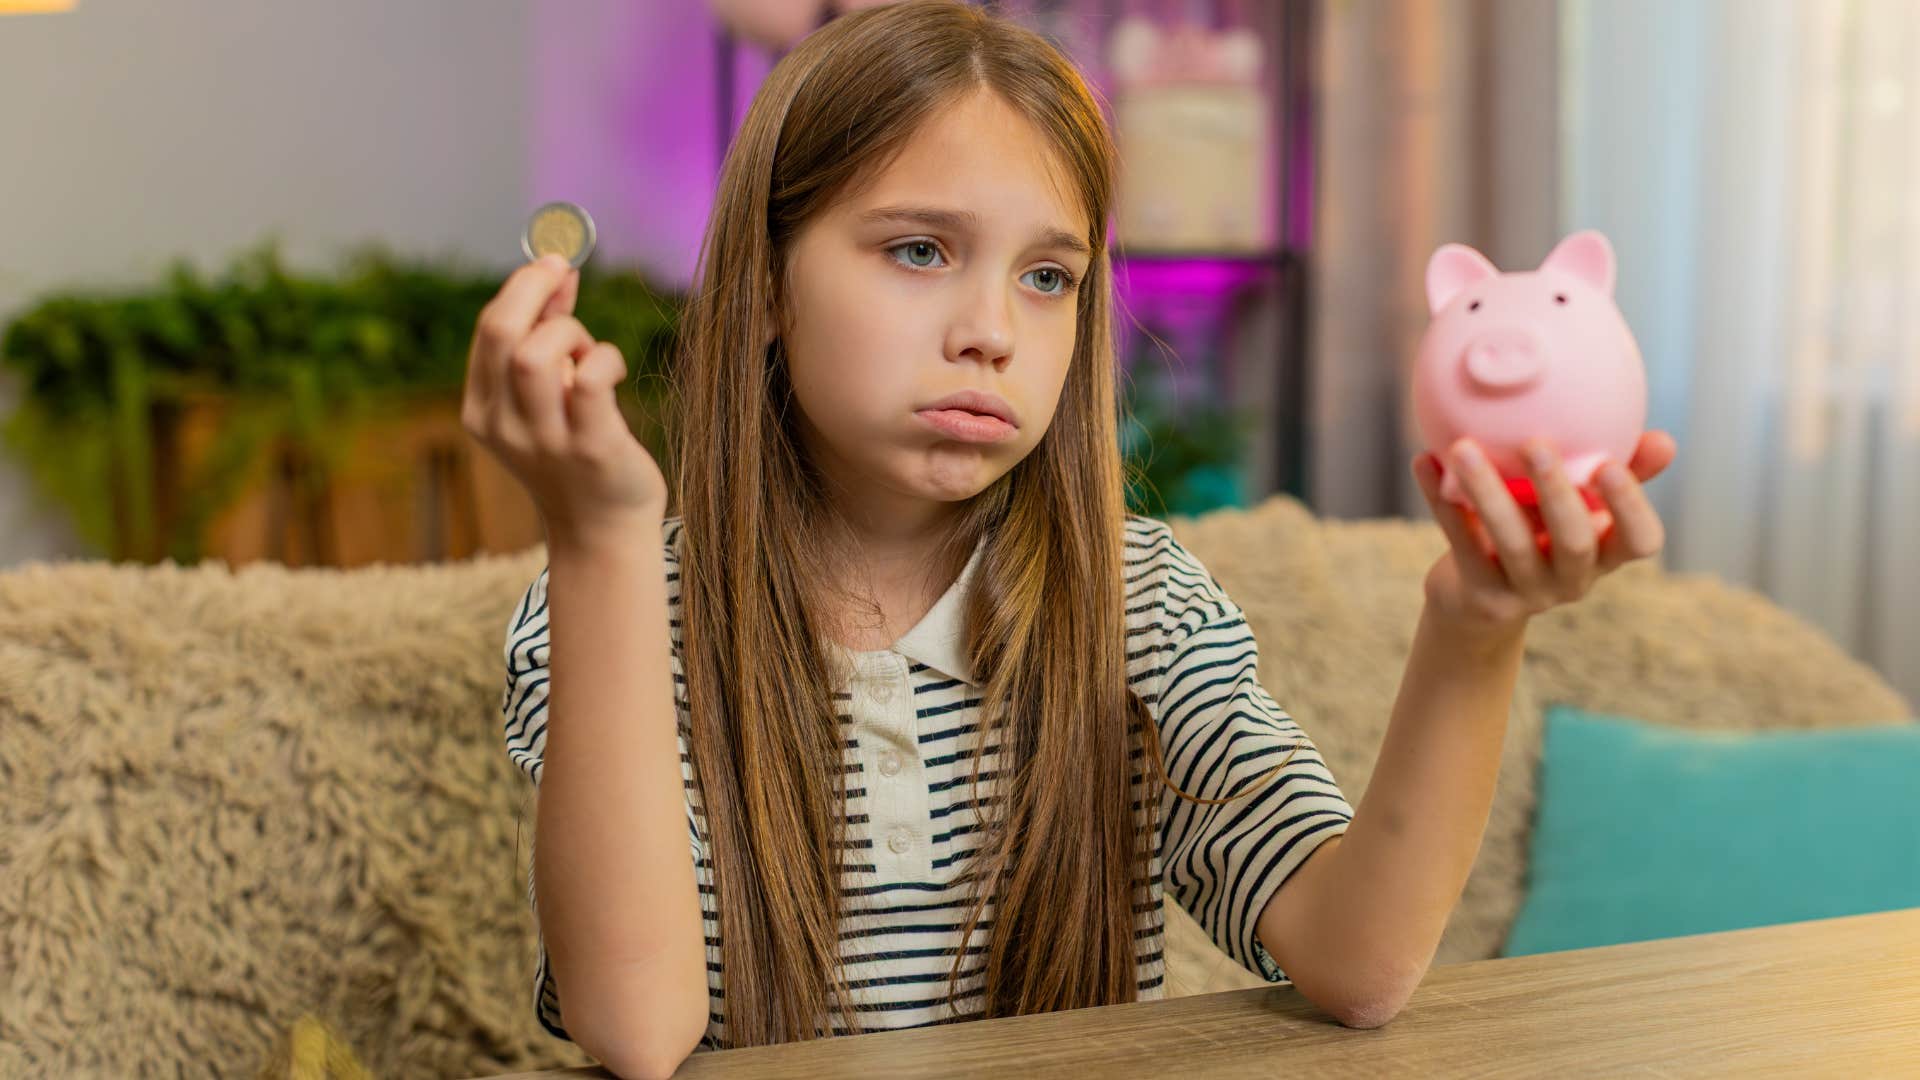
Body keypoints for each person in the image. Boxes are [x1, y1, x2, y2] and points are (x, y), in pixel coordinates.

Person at [462, 2, 1676, 1076]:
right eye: (919, 250)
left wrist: (1474, 628)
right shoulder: (614, 612)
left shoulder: (1141, 603)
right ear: (767, 286)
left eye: (1048, 277)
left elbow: (1358, 963)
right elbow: (638, 1028)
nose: (991, 330)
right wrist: (602, 544)